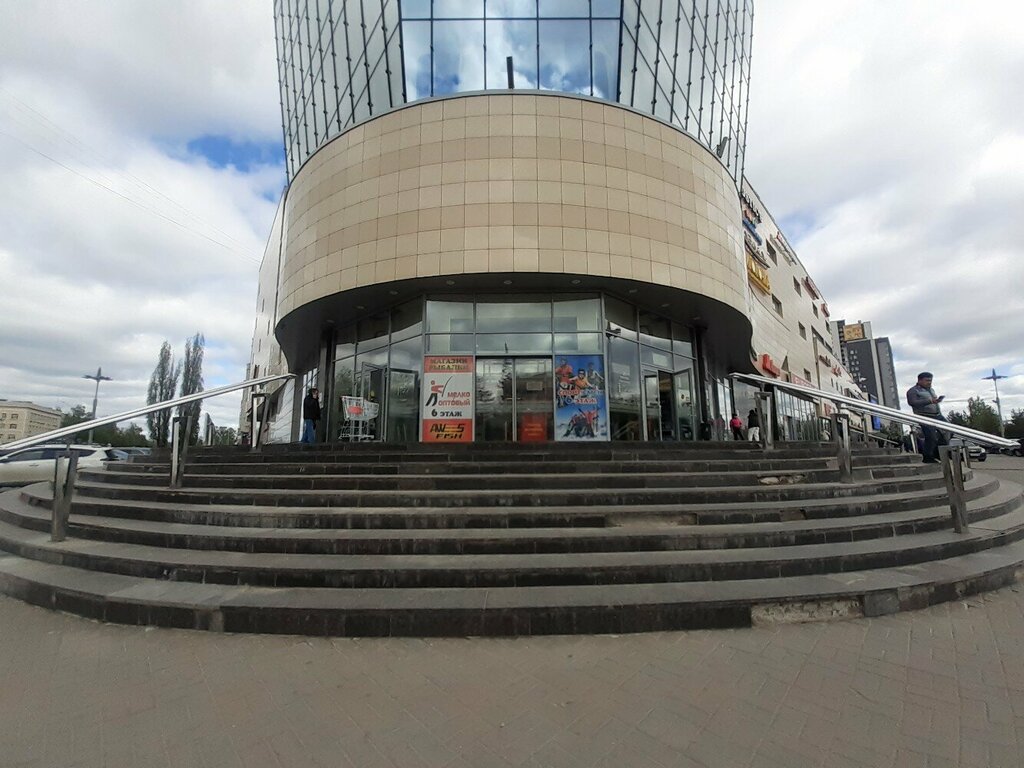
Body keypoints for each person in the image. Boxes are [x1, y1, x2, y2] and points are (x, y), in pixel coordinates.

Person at [906, 371, 947, 464]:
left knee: (949, 431)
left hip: (937, 415)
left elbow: (934, 402)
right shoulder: (913, 390)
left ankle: (937, 452)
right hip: (924, 416)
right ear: (920, 380)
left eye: (930, 380)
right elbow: (912, 402)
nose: (929, 382)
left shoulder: (931, 390)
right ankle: (928, 456)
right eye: (927, 380)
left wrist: (936, 401)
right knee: (931, 436)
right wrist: (929, 401)